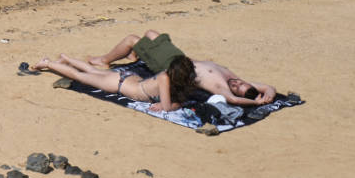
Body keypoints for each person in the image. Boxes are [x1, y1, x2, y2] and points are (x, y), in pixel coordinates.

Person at [89, 29, 279, 106]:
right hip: (180, 58)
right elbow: (266, 86)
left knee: (132, 39)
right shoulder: (235, 79)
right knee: (151, 33)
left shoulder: (222, 88)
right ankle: (136, 53)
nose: (236, 83)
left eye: (237, 87)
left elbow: (234, 100)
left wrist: (256, 103)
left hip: (171, 66)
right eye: (241, 83)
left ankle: (104, 60)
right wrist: (269, 91)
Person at [29, 52, 201, 111]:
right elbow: (166, 106)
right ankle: (47, 63)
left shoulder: (166, 73)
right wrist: (177, 105)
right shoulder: (165, 79)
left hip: (125, 79)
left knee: (92, 71)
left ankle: (65, 58)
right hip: (119, 84)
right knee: (79, 76)